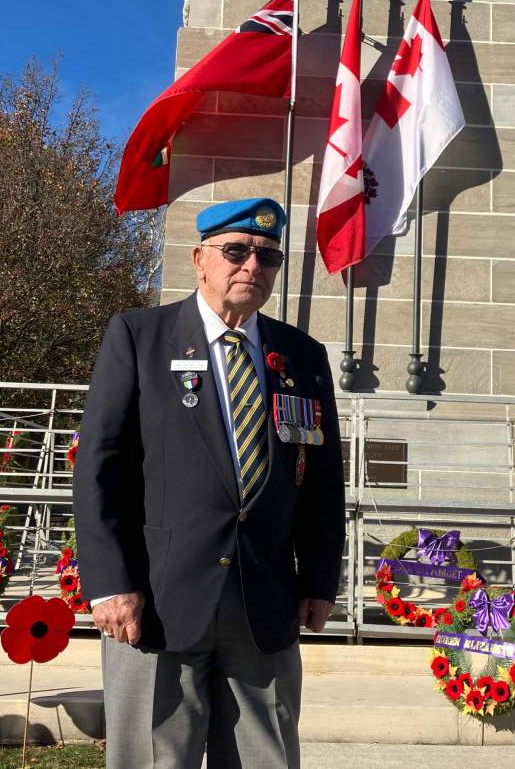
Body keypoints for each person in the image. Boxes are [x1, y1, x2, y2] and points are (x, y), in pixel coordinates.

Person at [72, 197, 346, 768]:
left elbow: (321, 481)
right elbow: (102, 467)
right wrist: (109, 582)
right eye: (236, 251)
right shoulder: (139, 337)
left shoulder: (302, 355)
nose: (252, 266)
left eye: (268, 257)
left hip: (265, 602)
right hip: (156, 603)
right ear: (200, 259)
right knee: (153, 757)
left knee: (264, 758)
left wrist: (320, 579)